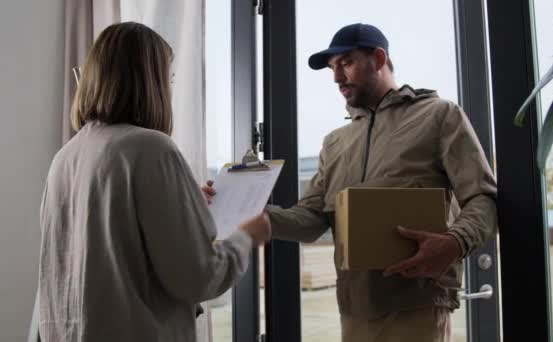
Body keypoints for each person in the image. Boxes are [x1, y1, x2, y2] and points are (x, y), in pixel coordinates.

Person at [204, 23, 497, 341]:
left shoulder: (439, 116)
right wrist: (241, 209)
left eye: (346, 63)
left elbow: (483, 196)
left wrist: (455, 243)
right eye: (332, 68)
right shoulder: (335, 143)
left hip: (417, 307)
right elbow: (311, 219)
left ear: (379, 58)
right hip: (354, 311)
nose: (337, 77)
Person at [37, 22, 270, 342]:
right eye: (169, 79)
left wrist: (185, 206)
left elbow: (103, 251)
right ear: (149, 82)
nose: (170, 89)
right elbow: (198, 276)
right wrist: (246, 237)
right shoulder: (151, 149)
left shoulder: (65, 157)